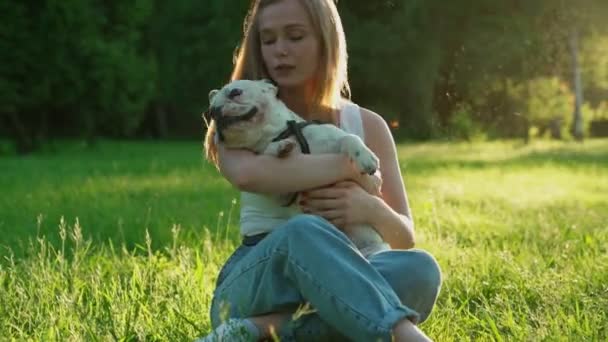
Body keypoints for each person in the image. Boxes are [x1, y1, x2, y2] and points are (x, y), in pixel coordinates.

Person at [200, 0, 441, 341]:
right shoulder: (239, 117)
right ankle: (404, 335)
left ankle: (261, 331)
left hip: (345, 277)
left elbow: (403, 237)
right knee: (304, 230)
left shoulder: (367, 125)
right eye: (269, 40)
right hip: (256, 282)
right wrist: (352, 170)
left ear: (325, 40)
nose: (280, 51)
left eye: (295, 36)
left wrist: (367, 207)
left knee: (420, 269)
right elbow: (249, 175)